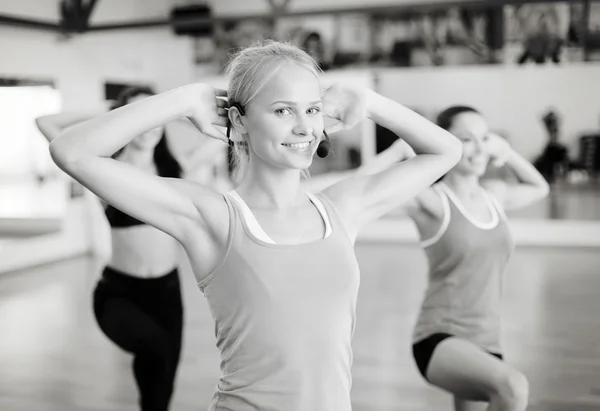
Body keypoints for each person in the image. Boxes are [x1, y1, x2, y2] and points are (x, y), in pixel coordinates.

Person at [48, 40, 462, 411]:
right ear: (239, 121)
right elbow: (72, 152)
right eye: (283, 110)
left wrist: (368, 102)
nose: (304, 127)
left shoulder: (341, 207)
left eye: (312, 109)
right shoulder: (211, 216)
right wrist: (184, 99)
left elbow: (446, 151)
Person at [36, 86, 223, 411]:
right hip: (119, 295)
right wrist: (115, 112)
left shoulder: (175, 167)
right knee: (156, 350)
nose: (150, 126)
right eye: (141, 116)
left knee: (161, 387)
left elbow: (220, 137)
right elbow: (46, 122)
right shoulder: (104, 169)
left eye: (156, 117)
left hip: (167, 294)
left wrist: (175, 109)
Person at [352, 105, 549, 411]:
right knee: (513, 386)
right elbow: (359, 187)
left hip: (488, 344)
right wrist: (399, 151)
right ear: (447, 143)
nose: (480, 147)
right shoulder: (431, 201)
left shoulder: (494, 195)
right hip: (440, 338)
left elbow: (540, 187)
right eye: (467, 139)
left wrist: (506, 151)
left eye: (485, 137)